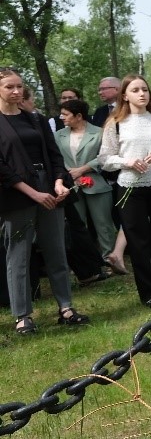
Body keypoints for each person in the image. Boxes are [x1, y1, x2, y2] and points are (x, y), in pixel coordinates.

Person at [0, 67, 90, 334]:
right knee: (18, 256)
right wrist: (34, 193)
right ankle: (22, 316)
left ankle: (66, 308)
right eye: (9, 87)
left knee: (56, 251)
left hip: (49, 189)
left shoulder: (36, 119)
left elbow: (54, 155)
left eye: (19, 86)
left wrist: (59, 182)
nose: (16, 91)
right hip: (16, 196)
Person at [99, 74, 151, 306]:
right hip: (130, 187)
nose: (142, 94)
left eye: (144, 89)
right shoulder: (115, 123)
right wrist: (127, 162)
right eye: (135, 90)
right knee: (138, 240)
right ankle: (149, 293)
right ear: (124, 96)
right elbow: (105, 159)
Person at [55, 99, 117, 258]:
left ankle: (109, 258)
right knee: (77, 225)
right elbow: (56, 157)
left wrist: (82, 170)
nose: (61, 117)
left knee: (103, 224)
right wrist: (69, 174)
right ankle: (85, 262)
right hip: (70, 186)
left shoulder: (99, 132)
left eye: (65, 114)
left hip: (96, 184)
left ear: (79, 116)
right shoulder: (58, 135)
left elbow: (106, 155)